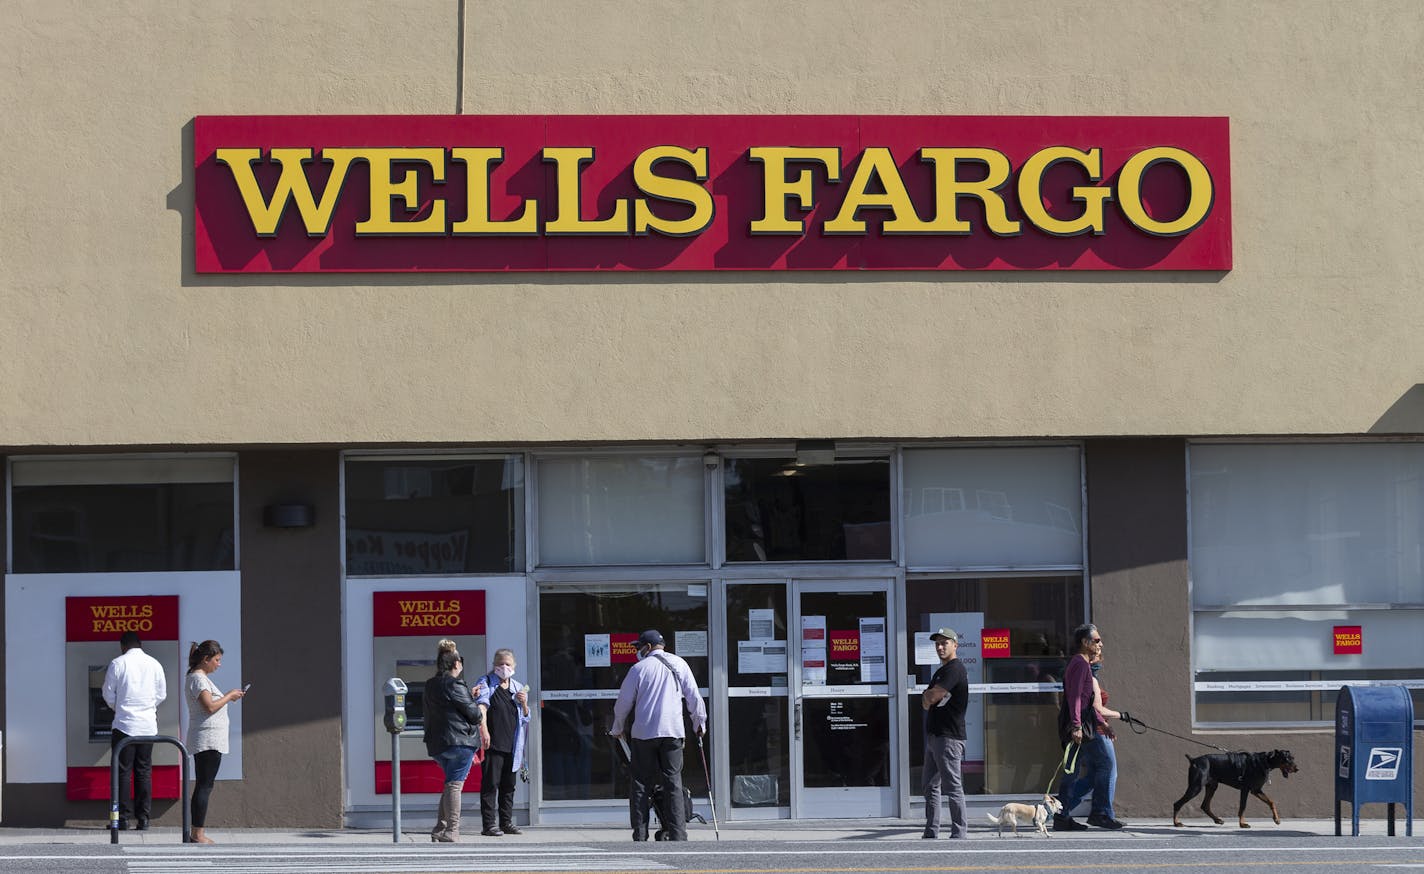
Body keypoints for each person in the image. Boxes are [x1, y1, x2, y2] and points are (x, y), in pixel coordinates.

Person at [609, 629, 707, 842]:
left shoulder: (638, 669)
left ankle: (640, 834)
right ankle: (678, 834)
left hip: (644, 733)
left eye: (639, 647)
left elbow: (623, 703)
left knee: (641, 783)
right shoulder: (680, 664)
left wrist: (617, 728)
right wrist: (699, 724)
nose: (637, 651)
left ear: (649, 647)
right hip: (673, 732)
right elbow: (694, 697)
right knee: (673, 782)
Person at [1054, 623, 1123, 830]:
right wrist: (1076, 726)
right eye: (1096, 640)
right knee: (1104, 765)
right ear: (1085, 642)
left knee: (1073, 771)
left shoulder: (1082, 664)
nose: (1100, 643)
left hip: (1084, 724)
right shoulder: (1079, 664)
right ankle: (1099, 814)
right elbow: (1075, 698)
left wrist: (1103, 724)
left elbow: (1088, 702)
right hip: (1079, 726)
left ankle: (1062, 816)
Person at [103, 630, 167, 831]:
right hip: (147, 726)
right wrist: (146, 708)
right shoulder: (155, 664)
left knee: (123, 773)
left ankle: (122, 819)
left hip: (124, 726)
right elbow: (161, 695)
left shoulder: (117, 663)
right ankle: (144, 819)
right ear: (140, 644)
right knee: (144, 772)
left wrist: (120, 708)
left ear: (123, 646)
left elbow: (107, 694)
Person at [422, 639, 485, 842]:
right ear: (456, 663)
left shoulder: (430, 684)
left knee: (449, 783)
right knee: (454, 785)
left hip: (438, 744)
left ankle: (439, 829)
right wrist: (477, 703)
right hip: (459, 742)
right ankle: (452, 830)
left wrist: (467, 695)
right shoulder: (455, 683)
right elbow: (475, 715)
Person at [184, 639, 245, 844]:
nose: (219, 664)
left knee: (204, 785)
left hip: (209, 738)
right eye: (217, 660)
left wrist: (229, 697)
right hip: (207, 739)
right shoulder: (199, 679)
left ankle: (196, 832)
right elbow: (208, 706)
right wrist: (228, 696)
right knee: (204, 785)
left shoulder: (200, 678)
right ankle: (197, 833)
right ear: (206, 659)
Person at [473, 648, 531, 837]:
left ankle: (506, 822)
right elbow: (481, 707)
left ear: (514, 666)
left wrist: (523, 704)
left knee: (509, 786)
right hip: (493, 743)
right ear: (494, 666)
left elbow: (525, 718)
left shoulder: (517, 687)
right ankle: (488, 825)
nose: (504, 667)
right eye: (500, 664)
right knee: (490, 784)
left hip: (513, 745)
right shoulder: (486, 683)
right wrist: (485, 731)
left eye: (508, 664)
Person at [920, 627, 969, 840]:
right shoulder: (941, 671)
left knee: (952, 787)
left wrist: (929, 695)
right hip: (935, 737)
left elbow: (931, 697)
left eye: (944, 643)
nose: (940, 647)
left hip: (949, 737)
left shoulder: (955, 669)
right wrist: (928, 695)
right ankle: (931, 832)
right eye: (937, 643)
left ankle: (959, 832)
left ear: (955, 645)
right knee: (930, 786)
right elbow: (927, 700)